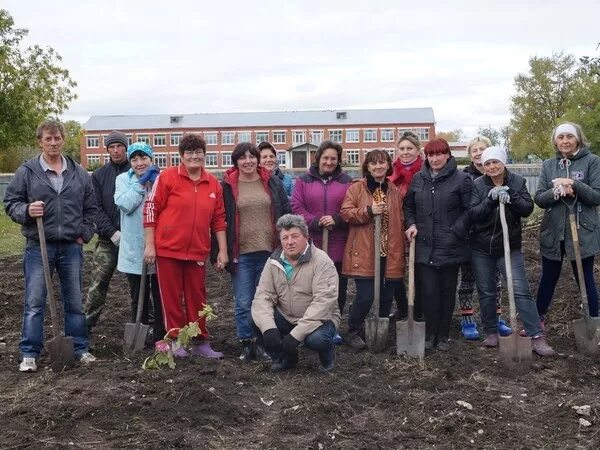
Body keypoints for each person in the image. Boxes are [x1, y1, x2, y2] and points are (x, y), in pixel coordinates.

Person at [4, 119, 98, 372]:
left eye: (57, 138)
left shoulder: (78, 172)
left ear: (63, 139)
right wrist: (26, 210)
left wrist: (84, 234)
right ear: (40, 142)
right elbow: (11, 202)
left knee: (75, 302)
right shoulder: (28, 171)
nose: (53, 143)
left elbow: (91, 208)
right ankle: (29, 353)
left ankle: (79, 348)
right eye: (48, 139)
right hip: (38, 246)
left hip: (71, 246)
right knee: (34, 302)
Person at [143, 134, 228, 359]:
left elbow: (219, 218)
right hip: (168, 250)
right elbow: (151, 208)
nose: (194, 156)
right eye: (189, 153)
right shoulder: (168, 177)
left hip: (198, 250)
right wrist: (150, 245)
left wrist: (223, 250)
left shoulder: (213, 184)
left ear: (204, 155)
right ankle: (175, 341)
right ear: (181, 156)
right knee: (170, 298)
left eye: (198, 152)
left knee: (197, 297)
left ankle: (200, 341)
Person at [468, 147, 554, 355]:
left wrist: (511, 196)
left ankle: (536, 335)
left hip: (510, 247)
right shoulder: (478, 185)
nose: (492, 167)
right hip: (482, 248)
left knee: (521, 290)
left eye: (496, 162)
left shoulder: (517, 181)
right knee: (487, 291)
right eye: (488, 164)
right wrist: (490, 200)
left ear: (503, 163)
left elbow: (527, 209)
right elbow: (473, 214)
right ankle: (491, 331)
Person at [219, 142, 290, 362]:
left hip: (270, 251)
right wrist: (220, 252)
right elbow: (220, 219)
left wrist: (287, 242)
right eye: (243, 157)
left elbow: (285, 211)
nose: (248, 161)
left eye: (252, 156)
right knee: (243, 300)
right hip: (242, 253)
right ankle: (247, 343)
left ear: (258, 159)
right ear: (236, 161)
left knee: (266, 300)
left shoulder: (272, 182)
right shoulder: (228, 186)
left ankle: (262, 342)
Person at [403, 138, 471, 351]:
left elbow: (470, 211)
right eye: (431, 155)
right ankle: (430, 332)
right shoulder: (418, 179)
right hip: (424, 245)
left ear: (448, 155)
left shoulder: (462, 179)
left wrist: (455, 231)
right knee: (429, 291)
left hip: (450, 245)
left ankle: (443, 334)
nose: (435, 159)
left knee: (447, 290)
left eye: (439, 154)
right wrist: (411, 223)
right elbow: (409, 207)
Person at [251, 214, 340, 372]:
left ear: (306, 236)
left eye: (295, 236)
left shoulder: (322, 261)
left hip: (321, 319)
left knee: (316, 340)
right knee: (256, 321)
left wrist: (296, 335)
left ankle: (328, 356)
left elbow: (323, 303)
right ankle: (286, 358)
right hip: (286, 316)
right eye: (284, 238)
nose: (289, 242)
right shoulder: (273, 261)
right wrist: (268, 328)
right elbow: (263, 296)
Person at [533, 122, 600, 329]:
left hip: (582, 229)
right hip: (553, 231)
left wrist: (574, 184)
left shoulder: (592, 161)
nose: (565, 141)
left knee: (585, 277)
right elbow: (539, 198)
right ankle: (538, 320)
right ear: (555, 141)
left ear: (578, 139)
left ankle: (594, 320)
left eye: (569, 137)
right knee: (548, 277)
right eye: (560, 137)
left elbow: (596, 196)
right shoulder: (548, 165)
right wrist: (557, 191)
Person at [341, 149, 405, 350]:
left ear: (388, 165)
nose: (378, 167)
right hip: (366, 250)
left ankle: (381, 330)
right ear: (367, 167)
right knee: (366, 295)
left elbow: (400, 219)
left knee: (386, 297)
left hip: (390, 251)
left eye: (382, 162)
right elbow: (346, 213)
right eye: (373, 163)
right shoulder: (357, 188)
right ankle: (353, 329)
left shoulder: (393, 190)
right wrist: (368, 211)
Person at [291, 140, 352, 344]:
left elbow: (350, 208)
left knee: (336, 288)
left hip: (338, 243)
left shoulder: (347, 181)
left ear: (338, 160)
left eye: (333, 158)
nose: (329, 161)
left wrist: (336, 218)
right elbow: (296, 206)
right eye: (325, 157)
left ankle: (332, 327)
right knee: (311, 287)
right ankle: (311, 326)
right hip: (312, 243)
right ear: (318, 158)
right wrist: (315, 222)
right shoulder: (303, 180)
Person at [458, 136, 510, 340]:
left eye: (483, 149)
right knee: (468, 278)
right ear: (470, 155)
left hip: (496, 235)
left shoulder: (501, 174)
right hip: (472, 236)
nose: (479, 153)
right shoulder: (464, 177)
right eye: (475, 150)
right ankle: (467, 318)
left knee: (495, 280)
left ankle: (496, 317)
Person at [114, 142, 164, 343]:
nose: (139, 163)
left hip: (159, 246)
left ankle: (161, 335)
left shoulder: (162, 179)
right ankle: (140, 337)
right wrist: (141, 184)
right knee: (138, 296)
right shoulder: (123, 180)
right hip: (134, 248)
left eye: (143, 158)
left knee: (159, 296)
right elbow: (125, 204)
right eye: (134, 159)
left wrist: (157, 183)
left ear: (151, 159)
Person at [84, 131, 130, 333]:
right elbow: (95, 208)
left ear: (126, 148)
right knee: (98, 284)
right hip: (107, 241)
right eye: (112, 147)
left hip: (134, 241)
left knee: (141, 287)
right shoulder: (100, 175)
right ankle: (85, 327)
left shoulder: (136, 170)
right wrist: (112, 233)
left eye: (119, 146)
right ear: (108, 150)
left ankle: (147, 325)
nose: (116, 150)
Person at [388, 131, 424, 321]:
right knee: (395, 271)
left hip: (418, 228)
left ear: (418, 150)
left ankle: (418, 310)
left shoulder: (424, 173)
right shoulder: (391, 173)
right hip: (395, 229)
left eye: (409, 148)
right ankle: (403, 307)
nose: (405, 152)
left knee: (417, 272)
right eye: (401, 148)